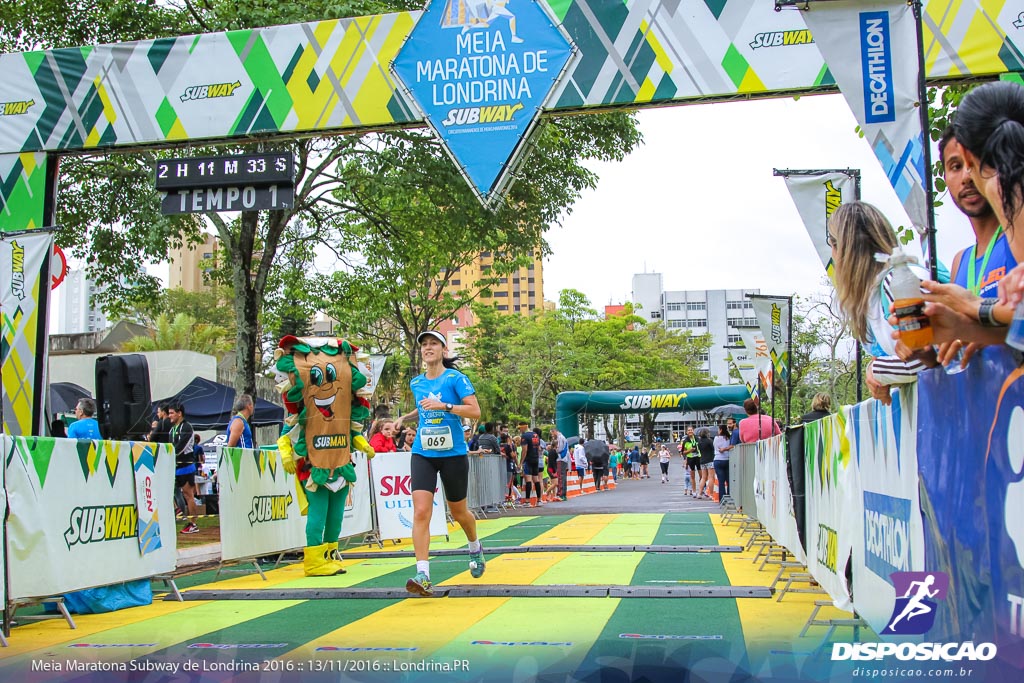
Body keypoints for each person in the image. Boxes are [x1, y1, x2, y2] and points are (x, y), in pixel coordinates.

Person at [394, 331, 484, 597]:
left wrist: (445, 406)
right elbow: (423, 407)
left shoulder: (456, 379)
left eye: (433, 343)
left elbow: (474, 411)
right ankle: (423, 574)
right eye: (424, 345)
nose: (427, 348)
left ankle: (475, 547)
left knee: (459, 513)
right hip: (423, 452)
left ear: (443, 349)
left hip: (453, 453)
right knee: (421, 511)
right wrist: (404, 418)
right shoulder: (416, 383)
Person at [829, 201, 936, 406]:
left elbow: (932, 358)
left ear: (840, 248)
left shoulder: (899, 282)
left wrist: (878, 371)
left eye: (832, 245)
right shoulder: (874, 293)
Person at [168, 402, 199, 534]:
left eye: (171, 413)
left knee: (188, 495)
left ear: (179, 413)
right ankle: (177, 510)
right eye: (169, 413)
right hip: (175, 465)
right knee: (168, 491)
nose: (169, 416)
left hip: (186, 465)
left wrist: (169, 455)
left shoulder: (187, 427)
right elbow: (170, 446)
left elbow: (180, 447)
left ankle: (193, 523)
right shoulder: (172, 429)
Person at [518, 421, 544, 508]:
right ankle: (539, 500)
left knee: (528, 480)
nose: (519, 430)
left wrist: (521, 462)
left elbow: (524, 450)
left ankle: (527, 501)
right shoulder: (535, 435)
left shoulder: (524, 436)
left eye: (520, 428)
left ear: (523, 427)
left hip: (528, 459)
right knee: (536, 479)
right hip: (536, 459)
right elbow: (539, 448)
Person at [712, 424, 732, 500]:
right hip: (727, 459)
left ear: (720, 430)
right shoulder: (729, 438)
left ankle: (722, 498)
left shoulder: (716, 438)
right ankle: (729, 496)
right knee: (728, 480)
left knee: (721, 481)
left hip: (718, 459)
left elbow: (715, 447)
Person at [696, 428, 716, 500]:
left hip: (702, 460)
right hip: (710, 460)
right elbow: (713, 449)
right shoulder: (710, 441)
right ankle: (711, 494)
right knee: (711, 477)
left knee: (703, 477)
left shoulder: (699, 442)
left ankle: (699, 493)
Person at [681, 427, 700, 495]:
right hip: (690, 458)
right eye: (688, 430)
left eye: (691, 430)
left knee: (701, 475)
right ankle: (694, 491)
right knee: (692, 476)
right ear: (686, 432)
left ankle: (702, 490)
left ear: (693, 431)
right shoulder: (685, 441)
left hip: (698, 457)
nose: (690, 431)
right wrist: (690, 450)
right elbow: (683, 452)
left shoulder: (697, 439)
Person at [552, 428, 569, 502]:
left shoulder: (560, 438)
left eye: (552, 433)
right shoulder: (563, 437)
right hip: (563, 459)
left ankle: (561, 494)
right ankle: (563, 494)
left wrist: (554, 449)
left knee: (561, 477)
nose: (552, 435)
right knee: (563, 476)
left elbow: (559, 449)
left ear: (555, 431)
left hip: (560, 458)